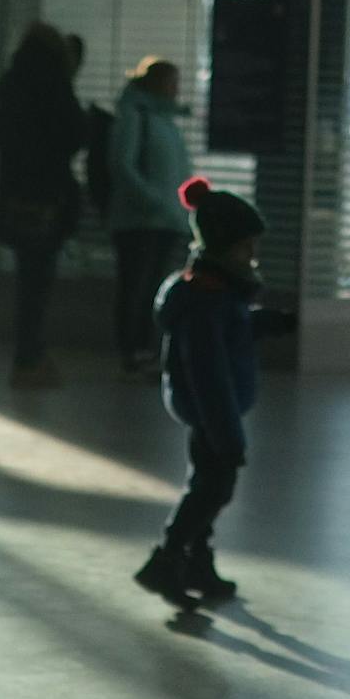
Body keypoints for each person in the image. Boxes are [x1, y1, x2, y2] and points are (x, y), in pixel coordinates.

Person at [134, 176, 267, 606]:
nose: (253, 257)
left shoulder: (214, 293)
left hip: (209, 412)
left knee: (207, 484)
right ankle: (168, 559)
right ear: (224, 249)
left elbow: (231, 334)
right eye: (245, 247)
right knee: (212, 488)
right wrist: (228, 435)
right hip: (214, 414)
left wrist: (264, 322)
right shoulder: (206, 302)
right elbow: (210, 376)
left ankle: (195, 561)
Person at [0, 23, 87, 387]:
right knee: (38, 283)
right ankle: (29, 358)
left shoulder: (11, 81)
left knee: (28, 279)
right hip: (48, 195)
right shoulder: (54, 83)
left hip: (14, 195)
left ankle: (29, 356)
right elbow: (75, 133)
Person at [108, 56, 193, 379]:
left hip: (166, 221)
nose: (176, 90)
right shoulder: (134, 117)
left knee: (153, 289)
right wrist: (155, 200)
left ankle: (147, 349)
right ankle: (132, 351)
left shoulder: (165, 121)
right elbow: (123, 166)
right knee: (135, 288)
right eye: (171, 82)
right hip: (138, 222)